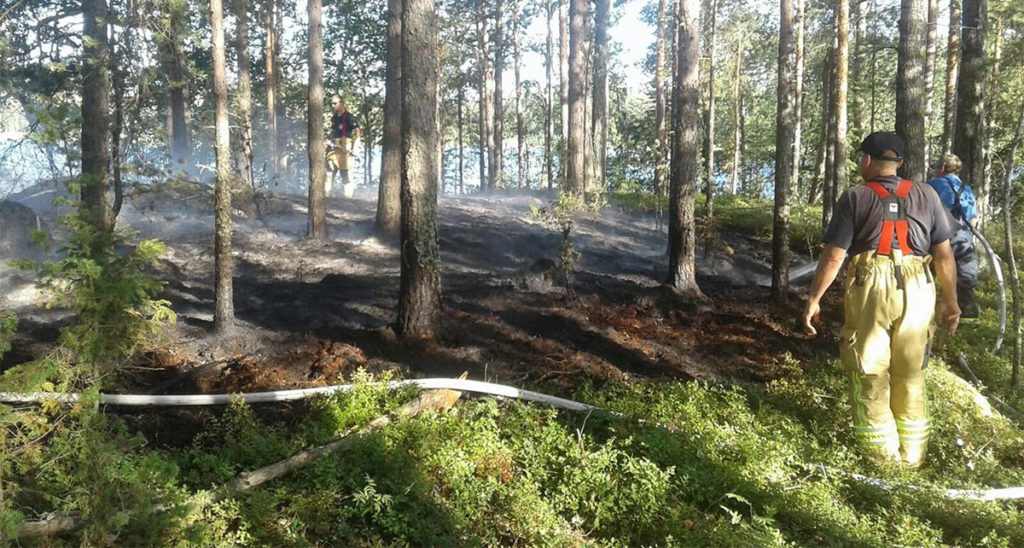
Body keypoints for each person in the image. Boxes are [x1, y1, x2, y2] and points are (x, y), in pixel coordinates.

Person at [801, 131, 961, 467]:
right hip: (919, 287)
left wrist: (814, 298)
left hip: (872, 283)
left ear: (866, 161)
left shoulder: (855, 197)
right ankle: (912, 459)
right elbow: (944, 255)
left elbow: (834, 256)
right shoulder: (928, 194)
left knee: (870, 369)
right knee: (911, 372)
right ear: (899, 163)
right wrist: (950, 300)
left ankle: (881, 461)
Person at [925, 153, 980, 318]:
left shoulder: (931, 185)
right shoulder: (967, 189)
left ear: (941, 168)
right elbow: (973, 221)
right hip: (963, 241)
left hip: (937, 239)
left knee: (927, 278)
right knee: (964, 280)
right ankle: (964, 315)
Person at [326, 95, 360, 196]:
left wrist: (355, 147)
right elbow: (333, 132)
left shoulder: (349, 117)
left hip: (345, 146)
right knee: (329, 170)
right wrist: (328, 142)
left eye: (335, 103)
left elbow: (358, 131)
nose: (333, 106)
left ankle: (347, 197)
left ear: (341, 103)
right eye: (332, 103)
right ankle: (326, 195)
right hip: (334, 146)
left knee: (345, 172)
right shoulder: (334, 118)